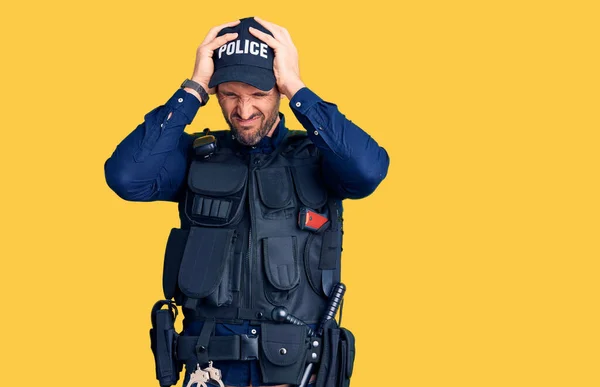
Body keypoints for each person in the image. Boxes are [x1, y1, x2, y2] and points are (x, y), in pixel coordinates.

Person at [104, 16, 389, 387]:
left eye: (259, 94)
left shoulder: (319, 157)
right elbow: (126, 177)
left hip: (296, 372)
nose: (244, 110)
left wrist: (298, 88)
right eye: (231, 94)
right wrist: (192, 90)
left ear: (278, 91)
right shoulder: (195, 156)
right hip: (210, 372)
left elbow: (368, 170)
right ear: (216, 91)